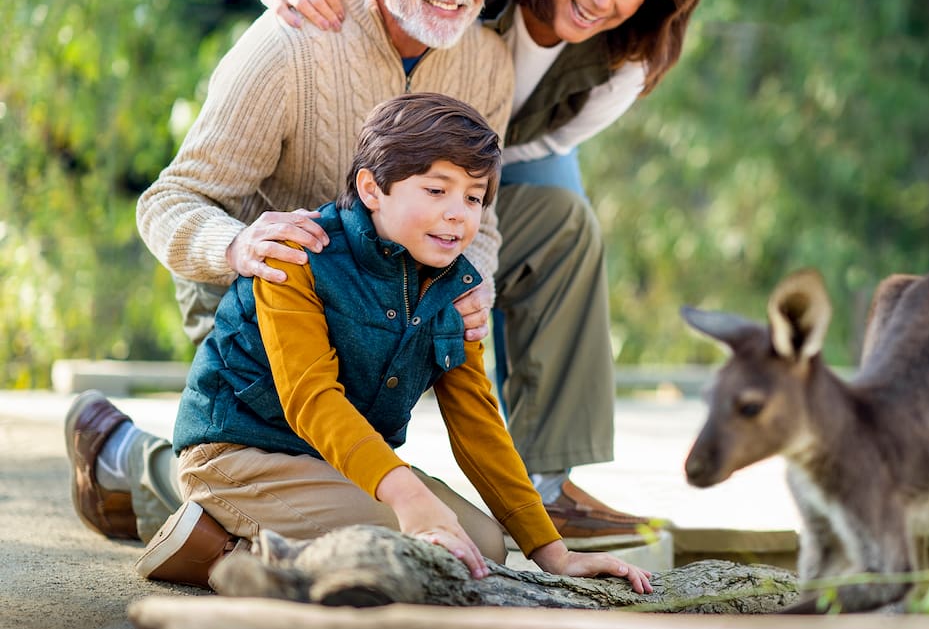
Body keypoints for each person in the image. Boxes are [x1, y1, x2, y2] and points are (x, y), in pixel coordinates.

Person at [67, 0, 516, 548]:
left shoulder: (488, 63)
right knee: (303, 476)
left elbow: (483, 216)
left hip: (374, 325)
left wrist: (475, 278)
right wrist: (237, 245)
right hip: (257, 316)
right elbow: (169, 200)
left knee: (446, 533)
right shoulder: (293, 41)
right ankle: (141, 459)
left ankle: (157, 478)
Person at [261, 0, 711, 538]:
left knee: (565, 220)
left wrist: (469, 241)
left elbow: (546, 148)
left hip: (498, 157)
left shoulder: (626, 54)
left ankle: (546, 482)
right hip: (386, 152)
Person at [68, 94, 652, 593]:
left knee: (486, 548)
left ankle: (247, 538)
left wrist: (553, 553)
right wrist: (407, 495)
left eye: (473, 198)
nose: (457, 215)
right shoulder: (299, 255)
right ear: (373, 188)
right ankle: (219, 554)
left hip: (338, 465)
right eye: (436, 189)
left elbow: (477, 422)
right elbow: (311, 398)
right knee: (433, 556)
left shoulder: (454, 288)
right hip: (238, 453)